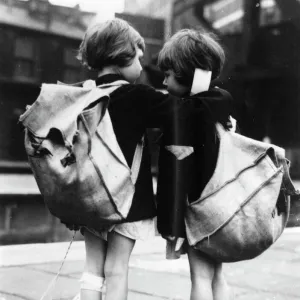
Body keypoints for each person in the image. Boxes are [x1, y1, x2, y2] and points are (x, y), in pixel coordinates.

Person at [73, 18, 189, 300]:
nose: (140, 65)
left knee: (92, 269)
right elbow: (185, 112)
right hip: (129, 202)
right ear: (121, 55)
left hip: (90, 196)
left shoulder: (82, 94)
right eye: (138, 57)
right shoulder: (138, 96)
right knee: (116, 269)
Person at [156, 28, 238, 300]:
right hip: (221, 208)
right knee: (217, 275)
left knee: (200, 277)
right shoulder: (219, 104)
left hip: (197, 211)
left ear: (188, 74)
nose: (164, 82)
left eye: (168, 75)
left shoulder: (187, 111)